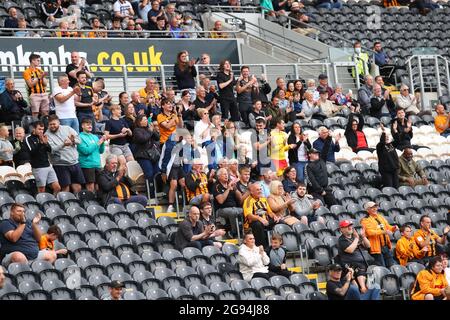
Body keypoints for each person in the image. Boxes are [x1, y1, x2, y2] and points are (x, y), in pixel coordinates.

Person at [46, 115, 85, 193]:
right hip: (60, 164)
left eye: (54, 124)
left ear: (59, 122)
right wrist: (63, 144)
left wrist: (73, 141)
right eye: (50, 124)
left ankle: (76, 203)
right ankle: (66, 203)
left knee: (78, 187)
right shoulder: (47, 135)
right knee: (65, 188)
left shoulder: (67, 128)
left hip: (74, 162)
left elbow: (79, 140)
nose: (52, 126)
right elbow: (52, 149)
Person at [24, 121, 61, 195]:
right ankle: (42, 205)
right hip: (38, 167)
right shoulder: (28, 138)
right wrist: (40, 144)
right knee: (41, 190)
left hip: (48, 165)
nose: (41, 131)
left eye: (42, 129)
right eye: (39, 129)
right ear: (34, 129)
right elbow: (32, 152)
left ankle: (53, 202)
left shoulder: (43, 137)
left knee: (57, 188)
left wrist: (46, 144)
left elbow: (50, 150)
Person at [337, 219, 371, 294]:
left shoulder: (354, 237)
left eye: (350, 226)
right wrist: (356, 239)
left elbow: (368, 246)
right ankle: (362, 288)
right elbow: (350, 250)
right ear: (341, 229)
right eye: (347, 226)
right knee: (358, 267)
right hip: (348, 265)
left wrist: (363, 236)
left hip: (361, 263)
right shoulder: (342, 240)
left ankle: (363, 288)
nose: (350, 228)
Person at [360, 201, 398, 268]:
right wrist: (384, 232)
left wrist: (394, 228)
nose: (375, 209)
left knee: (392, 266)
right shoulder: (365, 220)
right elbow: (370, 232)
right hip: (376, 248)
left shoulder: (380, 217)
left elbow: (387, 227)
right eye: (372, 207)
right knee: (382, 267)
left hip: (385, 246)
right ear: (367, 210)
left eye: (375, 207)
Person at [158, 98, 184, 185]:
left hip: (176, 143)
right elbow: (168, 126)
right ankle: (164, 176)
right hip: (166, 143)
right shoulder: (160, 116)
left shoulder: (174, 115)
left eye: (171, 103)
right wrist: (174, 117)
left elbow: (180, 126)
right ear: (162, 106)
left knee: (176, 166)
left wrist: (179, 116)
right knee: (167, 165)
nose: (170, 105)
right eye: (167, 104)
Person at [212, 168, 243, 238]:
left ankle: (244, 231)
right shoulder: (216, 186)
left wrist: (235, 189)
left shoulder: (231, 183)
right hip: (221, 209)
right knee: (232, 212)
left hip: (234, 207)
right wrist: (228, 189)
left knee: (244, 211)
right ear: (219, 176)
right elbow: (221, 201)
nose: (227, 176)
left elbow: (240, 199)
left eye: (227, 174)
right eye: (224, 174)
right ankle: (234, 232)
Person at [77, 118, 106, 193]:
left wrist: (102, 142)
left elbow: (101, 151)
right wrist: (98, 143)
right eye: (87, 124)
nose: (90, 126)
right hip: (87, 165)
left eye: (90, 124)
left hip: (97, 164)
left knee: (98, 186)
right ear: (82, 126)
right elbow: (86, 151)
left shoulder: (95, 137)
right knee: (90, 187)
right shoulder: (79, 137)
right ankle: (90, 203)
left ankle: (98, 202)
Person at [243, 183, 274, 248]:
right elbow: (249, 216)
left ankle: (279, 246)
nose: (260, 191)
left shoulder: (263, 199)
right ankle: (263, 247)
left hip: (265, 221)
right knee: (258, 224)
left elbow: (270, 212)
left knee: (280, 221)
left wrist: (275, 217)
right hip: (252, 224)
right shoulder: (248, 201)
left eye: (260, 189)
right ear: (251, 192)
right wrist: (260, 219)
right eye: (257, 190)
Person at [23, 53, 49, 118]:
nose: (39, 62)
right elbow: (30, 84)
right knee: (35, 113)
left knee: (45, 113)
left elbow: (45, 83)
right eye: (38, 60)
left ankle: (45, 126)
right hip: (34, 94)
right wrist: (39, 77)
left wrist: (42, 77)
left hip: (43, 93)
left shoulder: (40, 70)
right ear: (32, 61)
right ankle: (35, 127)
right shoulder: (26, 72)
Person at [376, 124, 399, 188]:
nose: (387, 137)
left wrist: (395, 130)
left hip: (394, 169)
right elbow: (382, 141)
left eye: (387, 136)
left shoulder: (391, 144)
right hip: (386, 170)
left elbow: (398, 140)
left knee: (396, 186)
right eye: (385, 136)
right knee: (389, 186)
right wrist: (383, 131)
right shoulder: (379, 146)